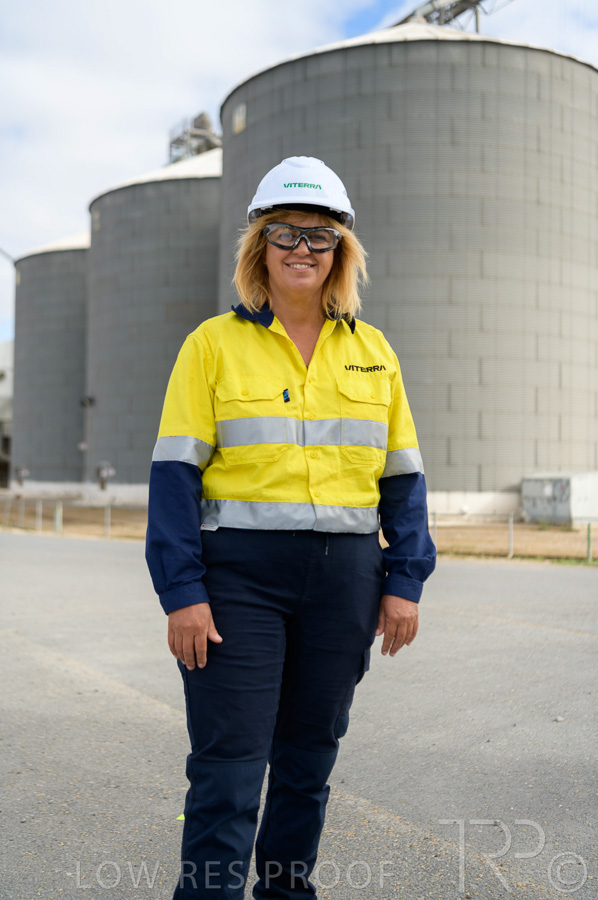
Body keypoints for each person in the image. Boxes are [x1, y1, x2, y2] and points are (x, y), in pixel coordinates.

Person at [146, 156, 436, 899]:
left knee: (308, 765)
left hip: (345, 583)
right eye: (285, 233)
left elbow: (403, 480)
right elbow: (174, 478)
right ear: (260, 246)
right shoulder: (211, 345)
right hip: (237, 583)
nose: (302, 248)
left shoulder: (374, 353)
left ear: (341, 251)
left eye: (320, 235)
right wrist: (182, 593)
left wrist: (405, 581)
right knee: (229, 771)